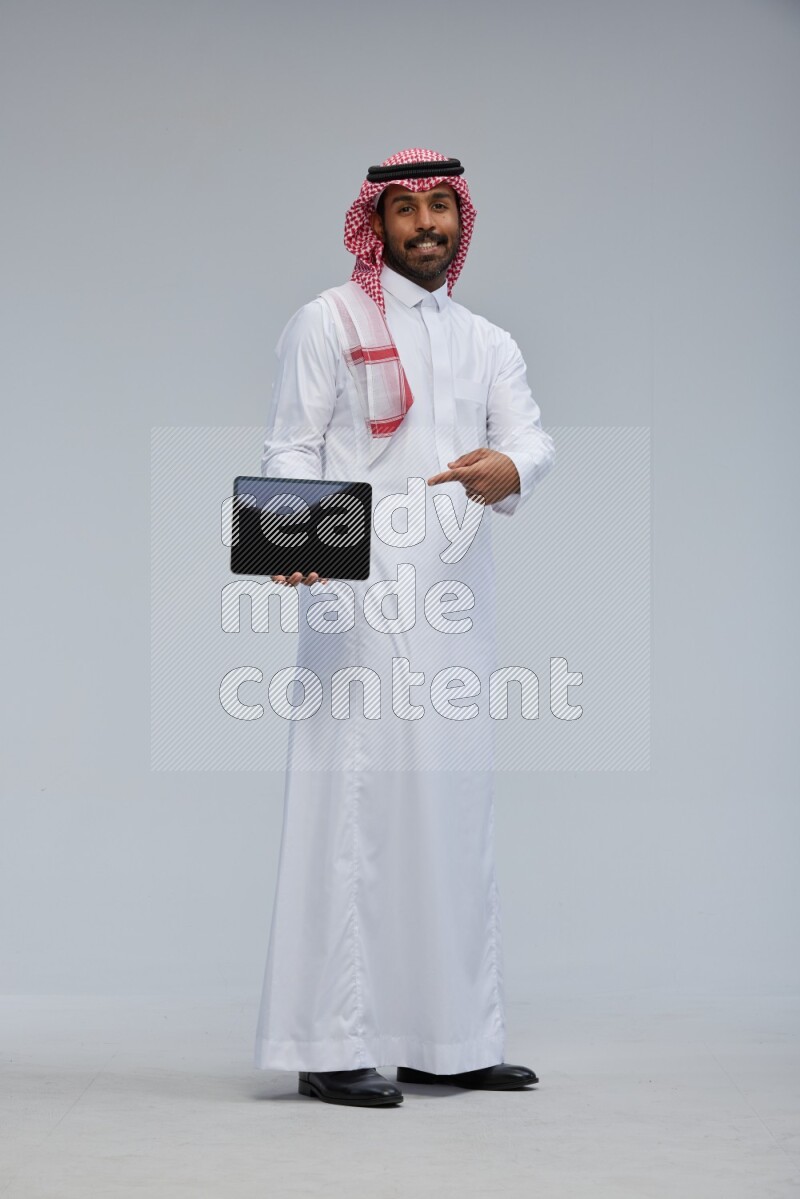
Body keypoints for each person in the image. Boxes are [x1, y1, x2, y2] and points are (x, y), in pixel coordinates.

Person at [253, 148, 556, 1107]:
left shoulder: (487, 340)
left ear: (461, 221)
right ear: (374, 224)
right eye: (406, 210)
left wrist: (516, 468)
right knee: (350, 813)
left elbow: (531, 434)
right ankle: (328, 1038)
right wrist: (290, 541)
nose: (426, 224)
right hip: (355, 597)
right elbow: (293, 445)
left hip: (456, 601)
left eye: (441, 208)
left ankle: (450, 1037)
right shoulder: (328, 320)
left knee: (450, 816)